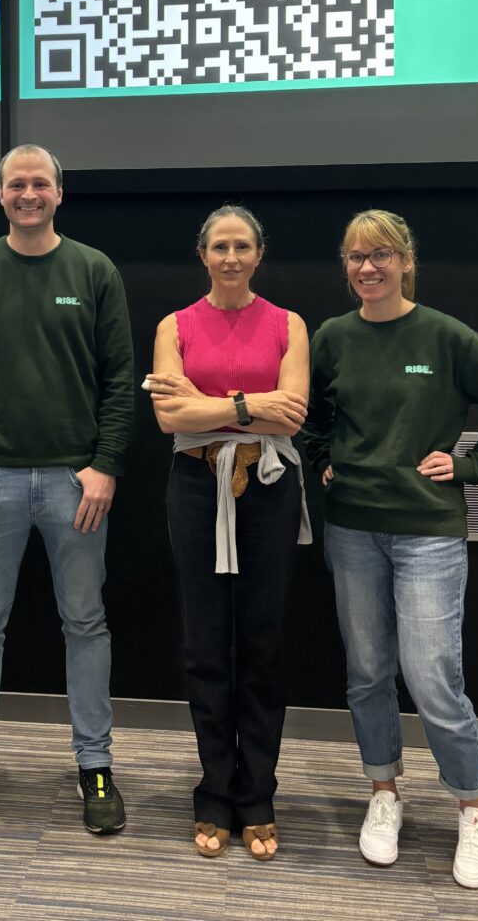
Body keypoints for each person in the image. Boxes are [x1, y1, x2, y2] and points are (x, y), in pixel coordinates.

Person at [302, 209, 478, 888]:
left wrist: (469, 468)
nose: (366, 268)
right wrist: (321, 456)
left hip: (428, 532)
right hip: (351, 527)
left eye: (379, 255)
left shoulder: (443, 335)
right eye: (354, 257)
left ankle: (474, 805)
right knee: (368, 672)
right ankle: (384, 792)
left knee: (433, 677)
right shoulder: (333, 337)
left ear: (406, 261)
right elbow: (313, 415)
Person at [0, 144, 134, 838]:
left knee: (85, 623)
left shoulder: (94, 269)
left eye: (41, 183)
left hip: (77, 483)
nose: (29, 193)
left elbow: (120, 381)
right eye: (17, 184)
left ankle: (94, 765)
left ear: (60, 194)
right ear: (1, 194)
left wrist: (105, 464)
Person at [144, 205, 311, 861]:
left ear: (259, 253)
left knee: (262, 642)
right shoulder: (174, 326)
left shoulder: (289, 324)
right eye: (220, 246)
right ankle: (215, 788)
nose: (232, 256)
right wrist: (251, 404)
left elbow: (291, 416)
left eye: (243, 245)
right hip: (193, 486)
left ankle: (258, 791)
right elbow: (167, 420)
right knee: (206, 642)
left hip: (268, 489)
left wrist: (208, 407)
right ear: (203, 254)